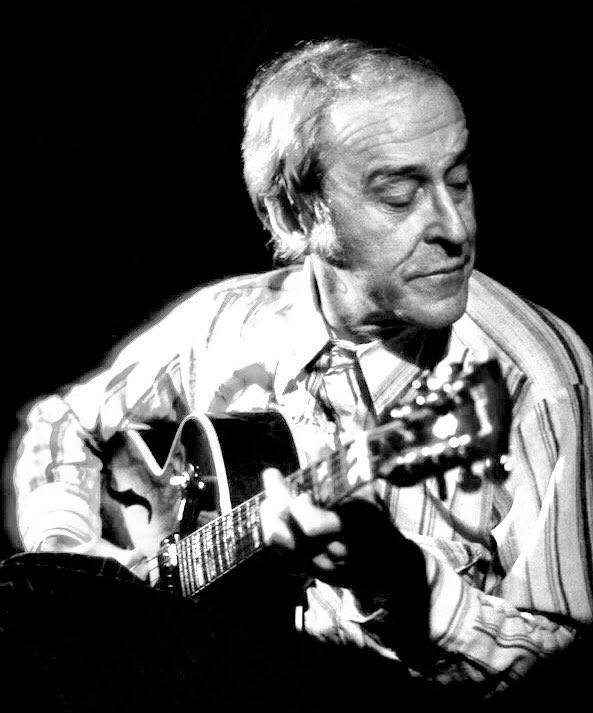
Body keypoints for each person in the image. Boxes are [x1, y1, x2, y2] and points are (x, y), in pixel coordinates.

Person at [6, 38, 593, 705]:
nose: (456, 229)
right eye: (399, 196)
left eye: (458, 181)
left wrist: (400, 585)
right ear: (291, 213)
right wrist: (75, 557)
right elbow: (62, 422)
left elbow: (563, 676)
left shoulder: (536, 382)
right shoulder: (224, 325)